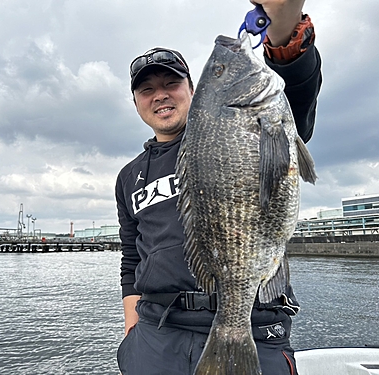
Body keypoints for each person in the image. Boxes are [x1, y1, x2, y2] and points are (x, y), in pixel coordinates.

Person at [115, 0, 322, 374]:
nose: (160, 94)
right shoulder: (129, 176)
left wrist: (284, 22)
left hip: (256, 325)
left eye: (171, 83)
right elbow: (131, 256)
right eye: (147, 89)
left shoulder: (244, 127)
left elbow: (297, 88)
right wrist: (133, 329)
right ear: (136, 103)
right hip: (157, 334)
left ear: (194, 93)